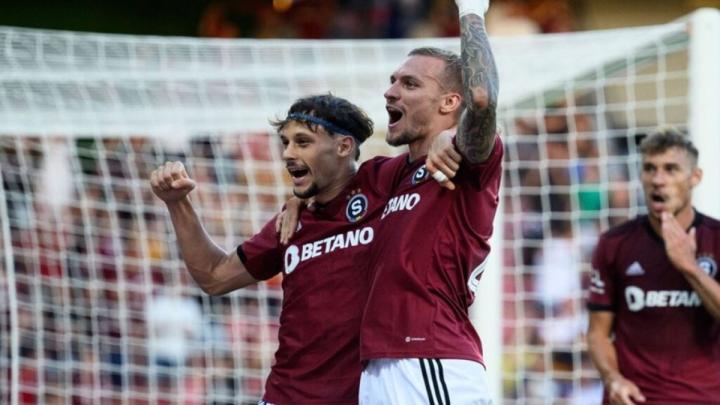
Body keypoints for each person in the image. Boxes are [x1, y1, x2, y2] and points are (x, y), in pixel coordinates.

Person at [150, 94, 404, 404]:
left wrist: (445, 139)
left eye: (303, 142)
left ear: (344, 146)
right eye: (285, 142)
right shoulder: (291, 223)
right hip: (285, 395)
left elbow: (436, 158)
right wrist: (178, 203)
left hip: (365, 396)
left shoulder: (384, 185)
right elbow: (214, 277)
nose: (288, 153)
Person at [357, 0, 501, 402]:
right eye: (393, 81)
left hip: (430, 359)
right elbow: (324, 186)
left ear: (449, 102)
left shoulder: (467, 161)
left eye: (409, 84)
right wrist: (297, 203)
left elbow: (482, 99)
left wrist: (471, 9)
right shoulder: (386, 175)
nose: (390, 91)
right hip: (376, 365)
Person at [587, 128, 720, 405]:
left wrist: (690, 267)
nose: (658, 180)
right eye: (650, 169)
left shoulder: (716, 239)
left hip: (701, 398)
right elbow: (598, 332)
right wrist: (613, 379)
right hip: (635, 399)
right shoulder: (614, 243)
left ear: (695, 177)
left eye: (671, 169)